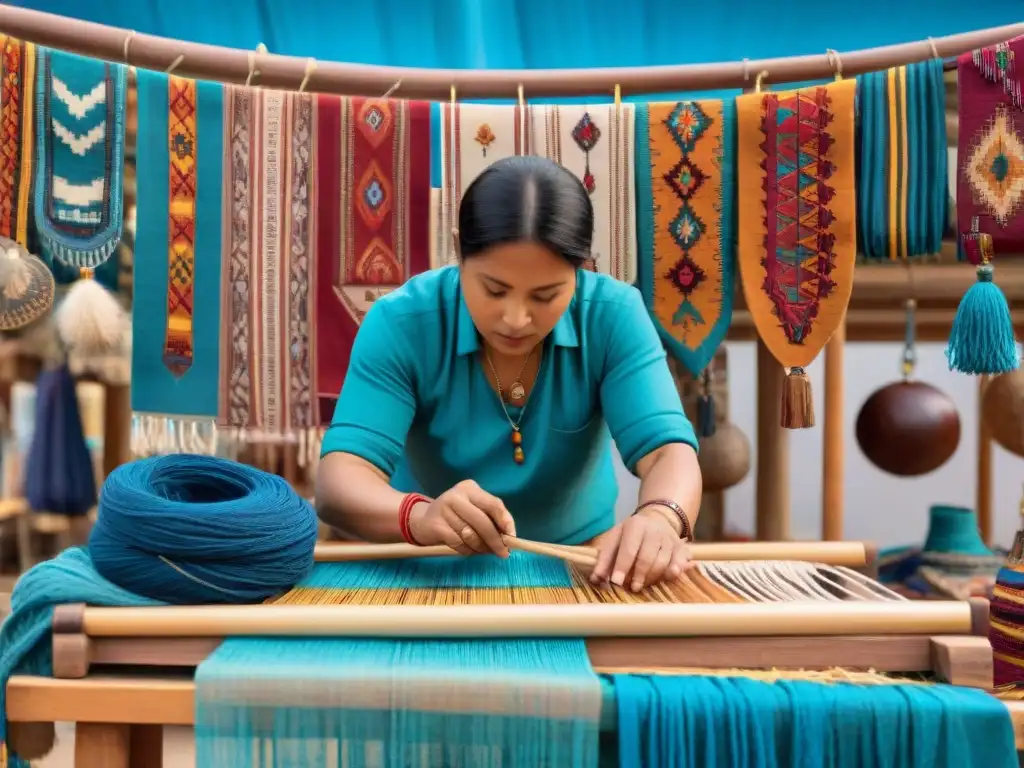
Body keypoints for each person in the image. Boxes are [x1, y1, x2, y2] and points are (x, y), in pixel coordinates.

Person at [316, 155, 701, 592]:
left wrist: (661, 516)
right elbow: (340, 479)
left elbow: (669, 452)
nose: (516, 319)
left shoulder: (614, 316)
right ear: (459, 251)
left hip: (580, 570)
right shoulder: (402, 323)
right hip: (421, 567)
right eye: (494, 290)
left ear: (582, 269)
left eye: (546, 295)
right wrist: (421, 515)